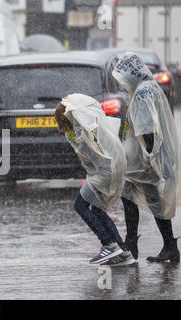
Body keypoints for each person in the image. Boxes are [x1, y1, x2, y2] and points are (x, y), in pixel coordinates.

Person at [112, 52, 180, 263]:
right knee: (133, 197)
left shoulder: (142, 94)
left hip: (144, 162)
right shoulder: (151, 87)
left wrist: (150, 159)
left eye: (123, 78)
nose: (123, 83)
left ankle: (160, 246)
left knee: (150, 200)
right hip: (142, 160)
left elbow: (147, 129)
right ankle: (138, 243)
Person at [54, 94, 135, 266]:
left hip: (103, 172)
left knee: (80, 205)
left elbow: (88, 151)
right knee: (98, 210)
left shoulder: (84, 130)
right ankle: (123, 251)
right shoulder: (92, 125)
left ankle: (108, 244)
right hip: (108, 169)